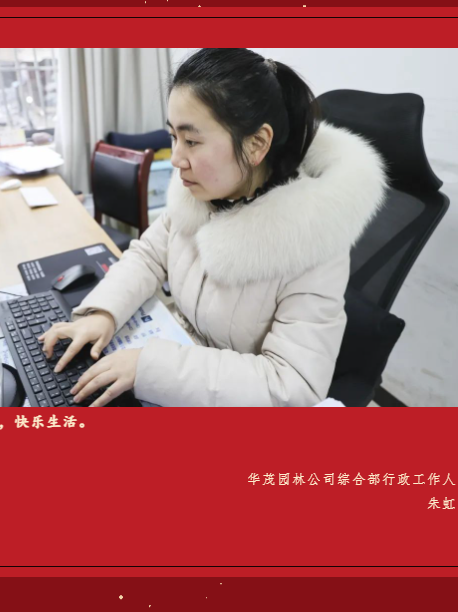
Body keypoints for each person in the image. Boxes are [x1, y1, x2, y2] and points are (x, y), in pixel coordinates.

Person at [39, 48, 388, 407]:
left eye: (191, 141)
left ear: (256, 144)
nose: (176, 158)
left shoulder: (312, 240)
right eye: (174, 136)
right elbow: (148, 255)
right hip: (178, 355)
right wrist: (103, 313)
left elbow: (293, 386)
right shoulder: (202, 193)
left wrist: (150, 368)